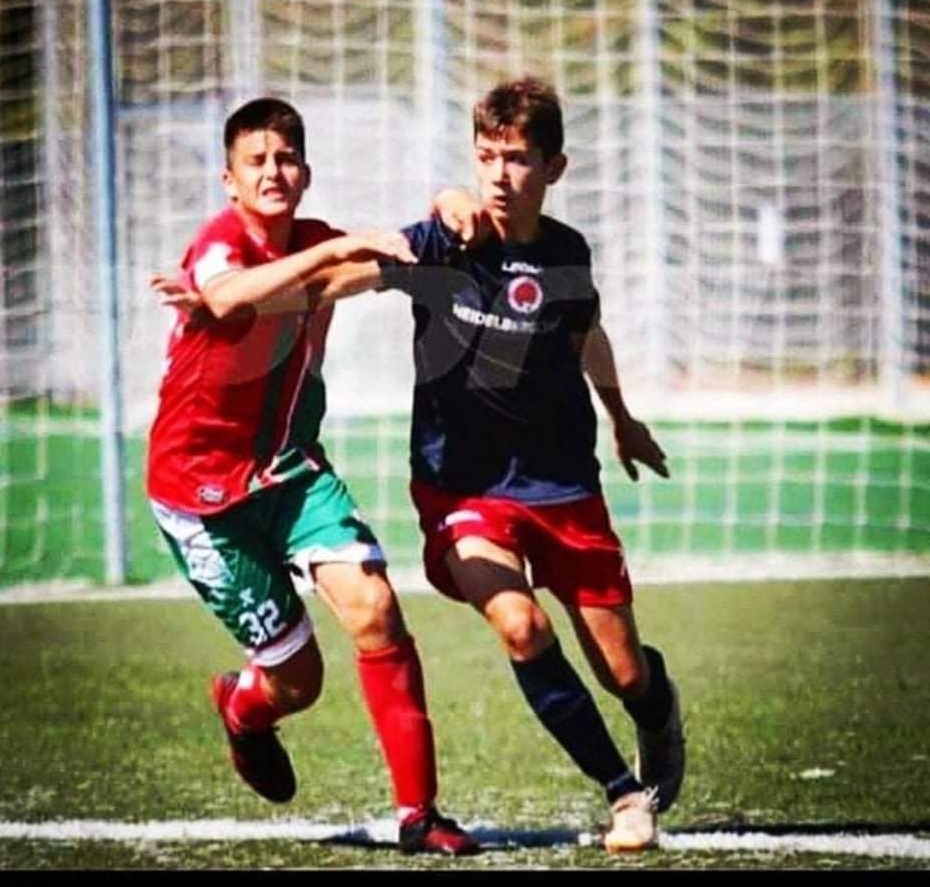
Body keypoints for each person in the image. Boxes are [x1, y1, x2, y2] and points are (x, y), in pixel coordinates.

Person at [146, 97, 478, 857]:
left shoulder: (319, 244)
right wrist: (344, 248)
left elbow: (404, 254)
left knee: (376, 609)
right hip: (203, 498)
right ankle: (243, 709)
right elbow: (227, 293)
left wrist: (448, 201)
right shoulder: (220, 242)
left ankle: (419, 814)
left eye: (286, 159)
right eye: (256, 161)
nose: (273, 172)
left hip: (291, 470)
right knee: (299, 682)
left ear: (306, 172)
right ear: (229, 179)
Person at [376, 77, 685, 853]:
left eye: (516, 158)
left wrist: (621, 418)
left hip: (561, 482)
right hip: (462, 488)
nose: (498, 175)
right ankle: (625, 795)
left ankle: (656, 711)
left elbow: (586, 336)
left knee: (624, 674)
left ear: (553, 167)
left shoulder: (566, 252)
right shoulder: (444, 242)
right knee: (519, 623)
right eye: (485, 156)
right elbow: (355, 270)